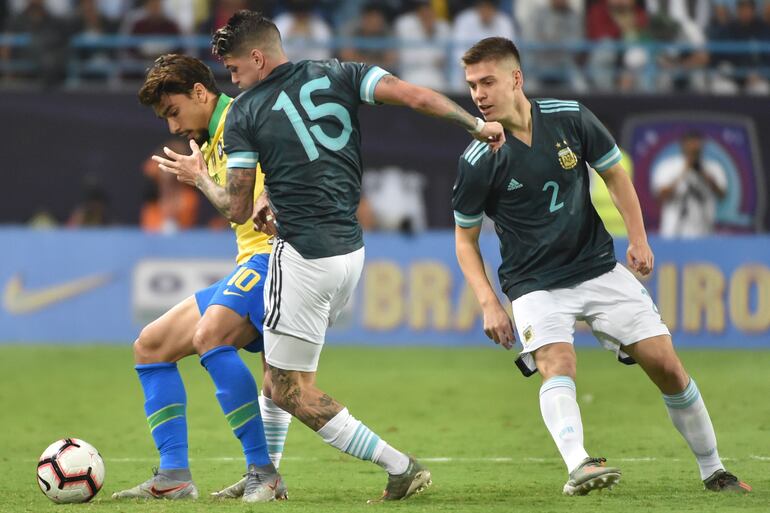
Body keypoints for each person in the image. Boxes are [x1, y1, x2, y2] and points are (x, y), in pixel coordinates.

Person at [157, 9, 503, 502]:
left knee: (288, 390)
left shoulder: (246, 112)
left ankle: (399, 465)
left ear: (257, 58)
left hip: (300, 256)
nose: (232, 81)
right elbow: (415, 96)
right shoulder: (342, 72)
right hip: (350, 252)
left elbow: (235, 208)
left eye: (234, 70)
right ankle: (265, 477)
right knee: (280, 375)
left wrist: (199, 179)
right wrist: (475, 124)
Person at [452, 37, 751, 496]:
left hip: (597, 266)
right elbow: (465, 240)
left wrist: (638, 238)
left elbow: (614, 174)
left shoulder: (570, 117)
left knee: (667, 366)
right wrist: (489, 302)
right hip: (534, 283)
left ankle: (715, 471)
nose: (478, 94)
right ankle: (579, 465)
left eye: (487, 82)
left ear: (516, 79)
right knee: (558, 362)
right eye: (472, 85)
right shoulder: (478, 158)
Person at [113, 54, 292, 503]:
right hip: (249, 263)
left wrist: (199, 180)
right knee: (151, 345)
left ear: (199, 92)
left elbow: (247, 203)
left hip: (276, 260)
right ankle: (174, 476)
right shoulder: (210, 138)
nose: (173, 126)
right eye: (165, 118)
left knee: (213, 338)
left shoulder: (242, 120)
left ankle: (263, 472)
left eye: (174, 112)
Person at [652, 130, 727, 238]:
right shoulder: (668, 166)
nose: (693, 152)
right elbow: (661, 195)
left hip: (704, 234)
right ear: (683, 146)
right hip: (673, 234)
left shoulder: (713, 168)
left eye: (696, 149)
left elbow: (722, 195)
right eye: (690, 149)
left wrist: (704, 173)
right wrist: (684, 171)